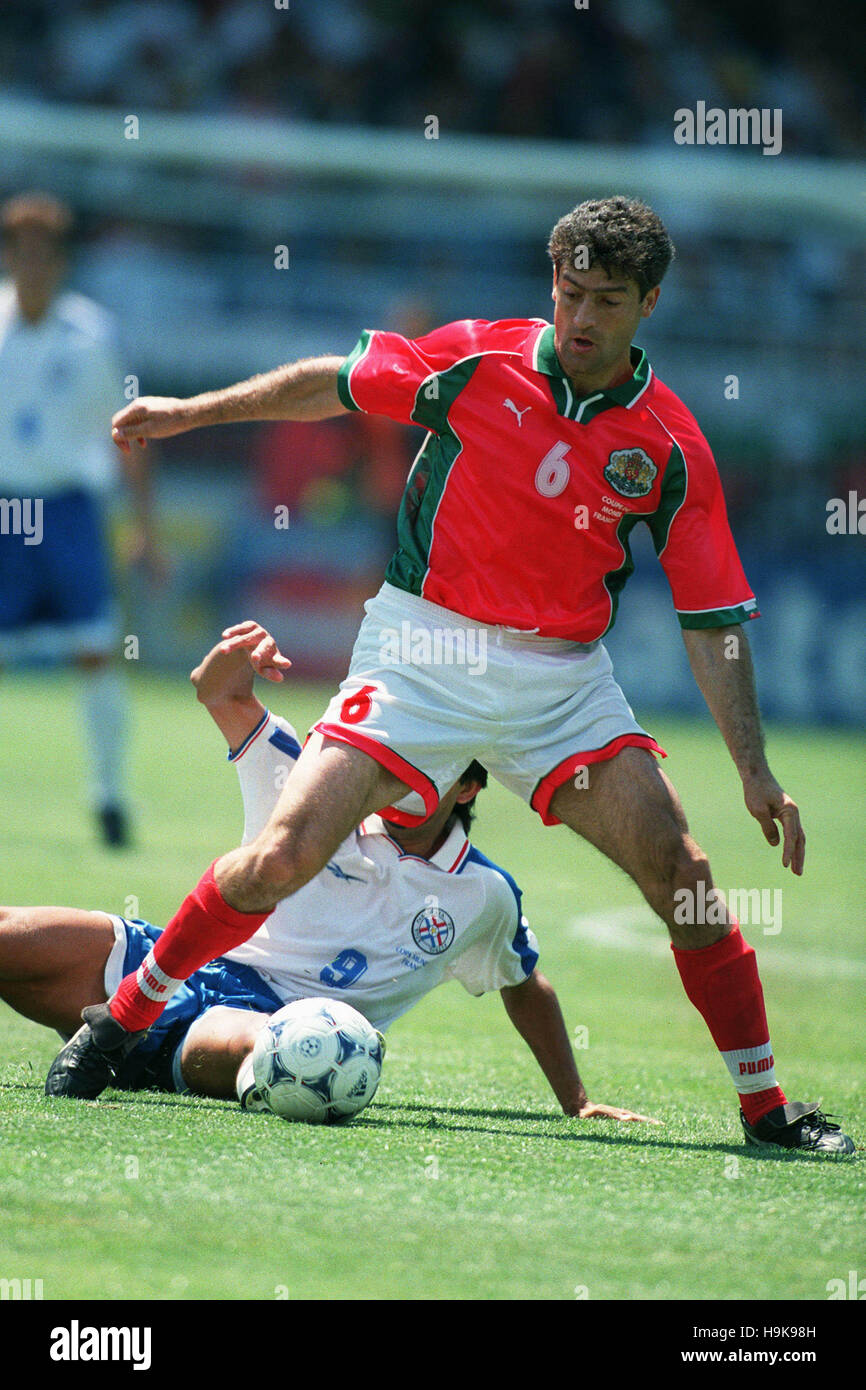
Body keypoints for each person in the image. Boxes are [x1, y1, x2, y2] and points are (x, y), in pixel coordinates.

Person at [51, 196, 852, 1154]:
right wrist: (191, 411)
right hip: (423, 653)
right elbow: (335, 385)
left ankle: (768, 1112)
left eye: (606, 298)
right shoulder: (479, 357)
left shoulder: (671, 447)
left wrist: (755, 772)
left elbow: (713, 620)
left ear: (649, 304)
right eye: (569, 291)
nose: (582, 317)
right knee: (278, 857)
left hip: (561, 682)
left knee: (685, 878)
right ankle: (120, 1023)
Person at [1, 622, 655, 1123]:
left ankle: (150, 1058)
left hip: (272, 1021)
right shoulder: (309, 785)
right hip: (154, 963)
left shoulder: (481, 895)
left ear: (466, 789)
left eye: (428, 759)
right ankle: (124, 1038)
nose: (399, 763)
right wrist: (230, 661)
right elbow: (219, 692)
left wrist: (576, 1101)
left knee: (286, 1048)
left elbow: (524, 983)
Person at [0, 192, 160, 847]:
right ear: (8, 255)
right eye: (21, 250)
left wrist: (144, 525)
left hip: (69, 510)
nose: (33, 264)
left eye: (45, 252)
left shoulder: (93, 335)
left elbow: (130, 431)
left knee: (95, 650)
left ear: (62, 261)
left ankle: (109, 797)